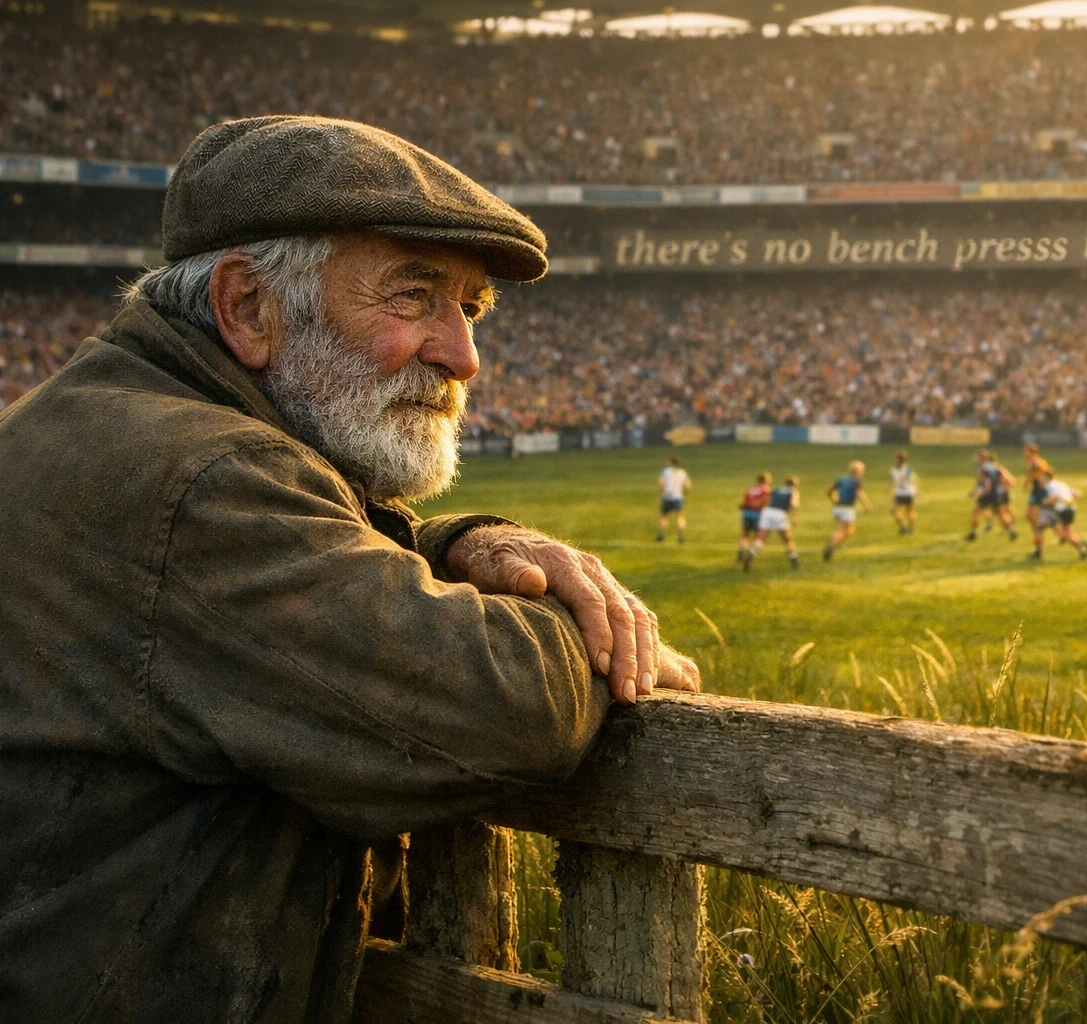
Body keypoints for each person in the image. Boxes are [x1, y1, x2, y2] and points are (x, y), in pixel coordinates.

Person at [0, 116, 700, 1022]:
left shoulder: (112, 425)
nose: (464, 355)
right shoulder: (204, 482)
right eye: (413, 297)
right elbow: (498, 706)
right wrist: (585, 628)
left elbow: (274, 575)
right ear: (247, 307)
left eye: (471, 308)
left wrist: (448, 548)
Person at [746, 474, 800, 570]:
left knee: (760, 538)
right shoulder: (793, 491)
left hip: (767, 512)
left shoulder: (777, 489)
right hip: (779, 513)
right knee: (787, 539)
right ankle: (794, 560)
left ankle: (752, 552)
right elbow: (793, 504)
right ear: (795, 485)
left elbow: (766, 500)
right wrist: (795, 516)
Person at [825, 459, 873, 561]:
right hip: (847, 509)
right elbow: (860, 494)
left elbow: (829, 490)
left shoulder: (841, 479)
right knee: (845, 531)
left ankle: (835, 544)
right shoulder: (856, 482)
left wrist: (833, 499)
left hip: (837, 508)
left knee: (848, 530)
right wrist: (867, 506)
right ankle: (831, 547)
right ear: (859, 472)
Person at [1038, 470, 1087, 560]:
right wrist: (1070, 501)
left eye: (1042, 479)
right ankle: (1084, 545)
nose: (1040, 481)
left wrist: (1044, 502)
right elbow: (1077, 493)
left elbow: (1054, 497)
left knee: (1066, 534)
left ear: (1047, 478)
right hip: (1071, 509)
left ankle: (1083, 549)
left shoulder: (1050, 485)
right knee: (1069, 532)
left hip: (1063, 510)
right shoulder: (1061, 484)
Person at [966, 449, 1018, 542]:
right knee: (1001, 514)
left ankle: (972, 533)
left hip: (987, 493)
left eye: (977, 457)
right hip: (996, 493)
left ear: (981, 458)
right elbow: (1004, 478)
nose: (975, 459)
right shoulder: (995, 466)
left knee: (976, 511)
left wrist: (981, 492)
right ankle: (1012, 531)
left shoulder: (983, 468)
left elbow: (986, 482)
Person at [738, 470, 772, 563]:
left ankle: (741, 551)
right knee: (758, 537)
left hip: (747, 514)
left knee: (745, 535)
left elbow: (744, 503)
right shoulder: (766, 490)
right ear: (767, 480)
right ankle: (751, 553)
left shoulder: (750, 488)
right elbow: (766, 502)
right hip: (758, 514)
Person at [657, 455, 691, 542]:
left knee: (663, 516)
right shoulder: (682, 472)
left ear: (670, 463)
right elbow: (688, 485)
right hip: (678, 497)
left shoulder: (665, 472)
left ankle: (662, 535)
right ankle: (681, 535)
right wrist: (684, 494)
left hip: (667, 497)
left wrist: (661, 493)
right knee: (680, 516)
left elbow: (661, 483)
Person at [889, 449, 918, 534]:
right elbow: (891, 481)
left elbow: (912, 480)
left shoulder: (907, 469)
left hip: (908, 492)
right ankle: (903, 526)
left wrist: (916, 492)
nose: (895, 459)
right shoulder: (893, 470)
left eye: (896, 458)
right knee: (893, 510)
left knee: (909, 510)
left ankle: (911, 527)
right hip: (899, 493)